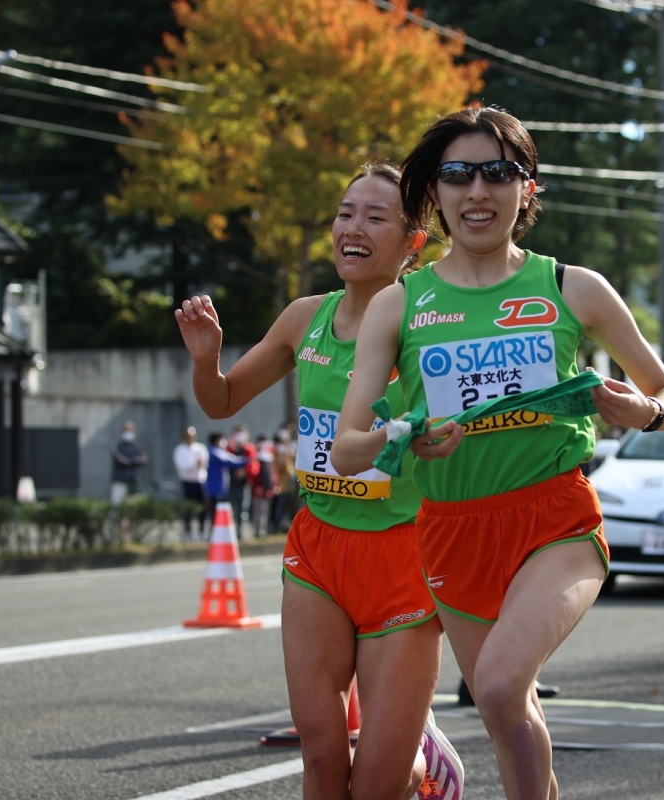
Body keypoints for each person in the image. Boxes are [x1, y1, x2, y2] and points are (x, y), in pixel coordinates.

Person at [332, 106, 664, 800]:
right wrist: (404, 434)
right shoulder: (400, 303)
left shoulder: (570, 287)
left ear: (526, 189)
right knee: (509, 710)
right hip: (451, 527)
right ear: (432, 193)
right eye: (458, 175)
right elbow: (347, 450)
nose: (477, 192)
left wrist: (645, 412)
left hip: (554, 519)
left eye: (499, 174)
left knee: (494, 686)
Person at [174, 162, 461, 799]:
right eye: (345, 213)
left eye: (375, 217)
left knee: (378, 782)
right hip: (319, 551)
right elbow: (221, 402)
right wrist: (204, 359)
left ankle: (420, 762)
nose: (352, 228)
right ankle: (410, 749)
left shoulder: (428, 324)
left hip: (404, 555)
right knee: (323, 760)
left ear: (413, 242)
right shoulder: (306, 318)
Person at [203, 430, 247, 536]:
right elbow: (231, 461)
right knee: (216, 512)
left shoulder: (217, 451)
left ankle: (218, 533)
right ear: (217, 440)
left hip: (219, 487)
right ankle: (216, 534)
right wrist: (249, 459)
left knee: (219, 511)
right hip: (215, 488)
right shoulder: (215, 451)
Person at [173, 425, 209, 541]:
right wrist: (195, 464)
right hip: (187, 482)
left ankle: (202, 532)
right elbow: (182, 467)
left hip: (200, 481)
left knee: (202, 508)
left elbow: (205, 463)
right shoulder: (180, 450)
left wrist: (200, 464)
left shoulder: (200, 448)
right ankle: (188, 533)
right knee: (188, 509)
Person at [226, 423, 259, 539]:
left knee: (242, 509)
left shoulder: (249, 449)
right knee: (229, 510)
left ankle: (241, 533)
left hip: (243, 485)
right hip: (229, 484)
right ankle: (230, 533)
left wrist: (245, 472)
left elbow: (254, 466)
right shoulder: (229, 448)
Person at [109, 421, 149, 505]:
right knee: (116, 505)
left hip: (132, 481)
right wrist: (133, 461)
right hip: (119, 480)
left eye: (130, 430)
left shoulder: (136, 447)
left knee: (131, 505)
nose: (128, 432)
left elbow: (144, 460)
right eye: (126, 430)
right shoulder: (118, 446)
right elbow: (118, 459)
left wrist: (131, 462)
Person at [271, 422, 299, 533]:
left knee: (288, 503)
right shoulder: (277, 449)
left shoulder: (291, 447)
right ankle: (276, 525)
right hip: (279, 482)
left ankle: (285, 523)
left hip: (289, 481)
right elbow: (281, 466)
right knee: (278, 504)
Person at [251, 433, 278, 538]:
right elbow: (256, 473)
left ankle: (263, 531)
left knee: (265, 511)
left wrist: (273, 485)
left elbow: (271, 474)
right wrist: (258, 485)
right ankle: (257, 532)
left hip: (267, 489)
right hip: (259, 488)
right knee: (258, 511)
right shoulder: (256, 456)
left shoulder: (269, 456)